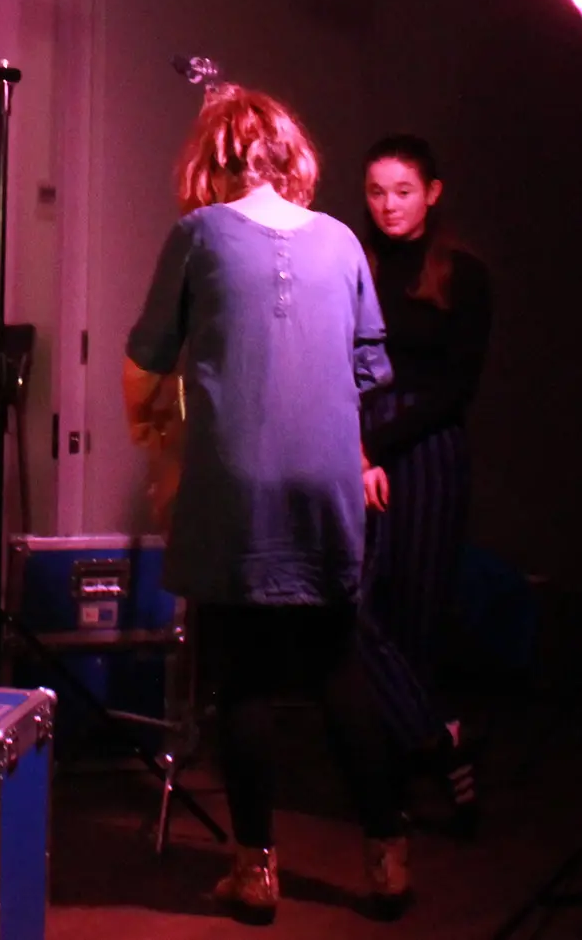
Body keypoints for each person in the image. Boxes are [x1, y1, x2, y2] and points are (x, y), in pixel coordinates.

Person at [123, 84, 411, 923]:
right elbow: (371, 371)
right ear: (290, 157)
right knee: (338, 671)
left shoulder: (197, 237)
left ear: (211, 159)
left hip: (234, 487)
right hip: (325, 486)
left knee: (243, 682)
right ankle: (388, 861)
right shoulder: (343, 241)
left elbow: (149, 352)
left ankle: (256, 876)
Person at [355, 135, 493, 826]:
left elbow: (453, 389)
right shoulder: (355, 264)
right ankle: (439, 740)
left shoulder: (463, 274)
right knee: (351, 608)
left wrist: (373, 444)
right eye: (376, 192)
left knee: (414, 618)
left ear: (432, 193)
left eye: (402, 191)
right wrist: (355, 449)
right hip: (361, 450)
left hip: (427, 452)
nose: (388, 206)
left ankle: (397, 788)